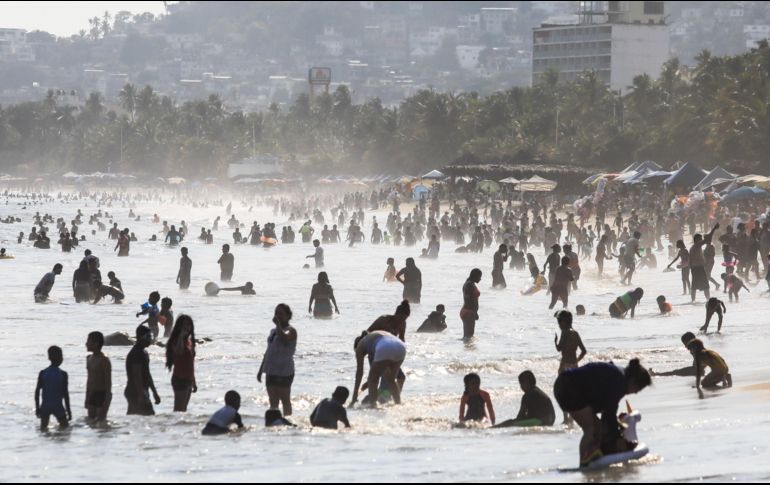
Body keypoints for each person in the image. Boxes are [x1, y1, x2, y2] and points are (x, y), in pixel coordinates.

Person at [554, 359, 652, 467]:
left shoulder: (619, 375)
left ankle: (593, 458)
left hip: (565, 384)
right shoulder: (619, 382)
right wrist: (618, 438)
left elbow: (608, 413)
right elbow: (609, 414)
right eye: (638, 389)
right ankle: (584, 466)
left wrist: (616, 432)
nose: (636, 393)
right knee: (590, 430)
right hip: (567, 387)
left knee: (599, 428)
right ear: (633, 381)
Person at [257, 304, 297, 418]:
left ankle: (288, 420)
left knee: (285, 399)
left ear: (288, 316)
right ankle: (274, 422)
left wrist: (278, 325)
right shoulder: (273, 331)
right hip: (271, 369)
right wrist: (261, 370)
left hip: (284, 370)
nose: (278, 316)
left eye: (281, 314)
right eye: (276, 313)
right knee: (273, 400)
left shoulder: (291, 331)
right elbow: (268, 351)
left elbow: (284, 337)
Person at [351, 330, 407, 407]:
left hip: (385, 346)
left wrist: (354, 397)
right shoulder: (373, 339)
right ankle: (398, 404)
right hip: (401, 347)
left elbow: (359, 373)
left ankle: (373, 405)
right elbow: (383, 372)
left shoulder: (360, 345)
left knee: (372, 379)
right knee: (391, 380)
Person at [125, 325, 161, 415]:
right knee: (149, 415)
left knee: (133, 417)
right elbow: (137, 375)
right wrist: (141, 394)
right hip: (135, 391)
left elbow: (147, 375)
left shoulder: (144, 352)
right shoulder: (137, 353)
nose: (150, 339)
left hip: (139, 390)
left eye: (151, 336)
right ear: (141, 337)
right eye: (148, 337)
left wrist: (154, 392)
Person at [35, 346, 72, 431]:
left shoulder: (43, 373)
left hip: (45, 406)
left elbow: (37, 392)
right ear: (61, 358)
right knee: (65, 429)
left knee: (43, 429)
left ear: (49, 358)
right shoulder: (63, 374)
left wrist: (37, 408)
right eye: (61, 356)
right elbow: (65, 394)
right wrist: (69, 411)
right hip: (58, 406)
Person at [166, 315, 197, 412]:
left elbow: (190, 363)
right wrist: (180, 336)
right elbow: (179, 352)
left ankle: (180, 427)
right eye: (184, 325)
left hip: (188, 379)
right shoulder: (175, 341)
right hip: (179, 379)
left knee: (184, 410)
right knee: (179, 410)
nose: (187, 327)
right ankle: (173, 426)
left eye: (188, 325)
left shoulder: (189, 341)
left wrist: (193, 381)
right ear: (179, 327)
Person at [85, 331, 112, 423]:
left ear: (96, 344)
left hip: (102, 394)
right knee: (91, 422)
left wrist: (107, 398)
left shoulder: (104, 360)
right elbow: (89, 379)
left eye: (88, 341)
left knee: (101, 423)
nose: (86, 344)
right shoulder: (89, 358)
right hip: (92, 394)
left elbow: (108, 380)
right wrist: (87, 396)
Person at [460, 269, 482, 340]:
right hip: (468, 311)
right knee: (468, 337)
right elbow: (467, 299)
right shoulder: (469, 284)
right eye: (479, 277)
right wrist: (474, 312)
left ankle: (465, 350)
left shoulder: (470, 283)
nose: (480, 279)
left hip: (468, 311)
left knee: (468, 337)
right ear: (475, 276)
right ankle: (467, 350)